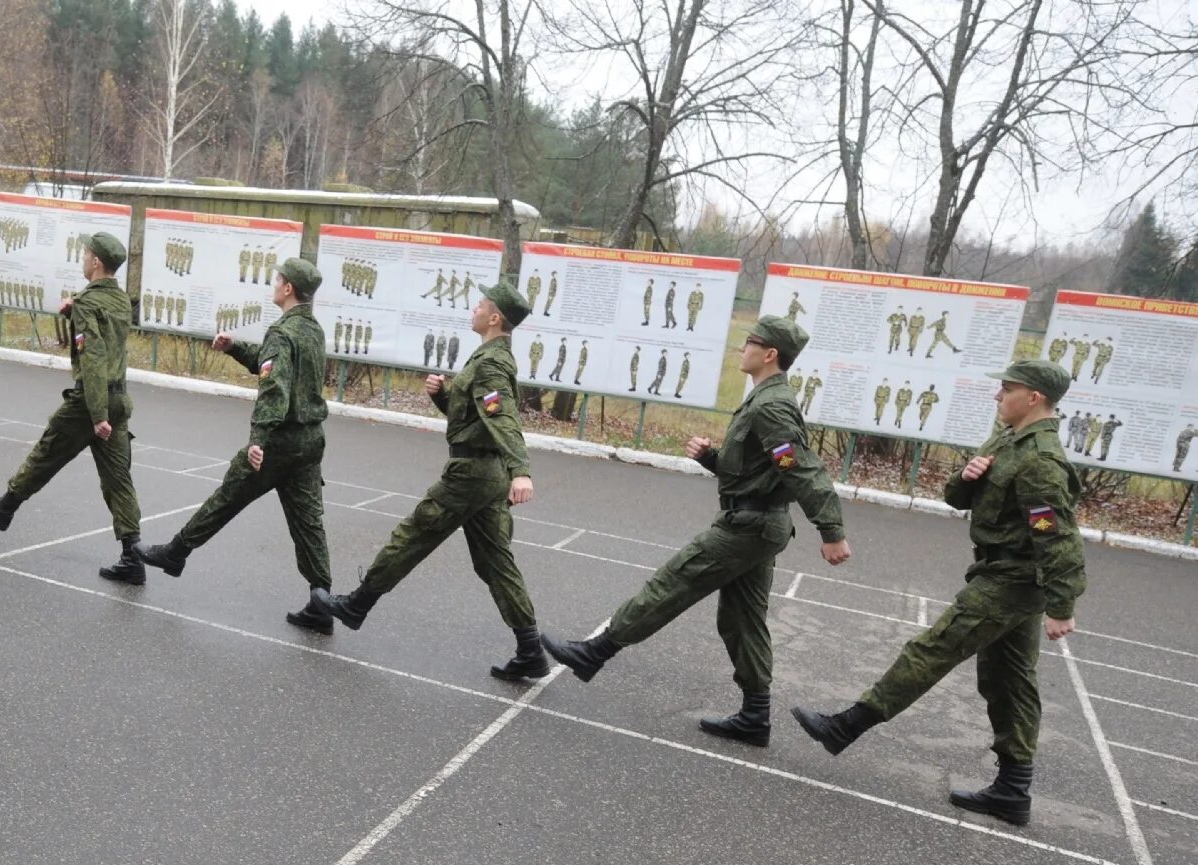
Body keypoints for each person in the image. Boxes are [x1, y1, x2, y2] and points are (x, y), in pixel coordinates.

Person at [791, 360, 1085, 826]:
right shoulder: (1007, 438)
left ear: (1033, 398)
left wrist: (1062, 603)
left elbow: (1054, 533)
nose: (997, 396)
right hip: (1000, 573)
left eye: (1006, 390)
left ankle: (845, 726)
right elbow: (956, 497)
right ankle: (1013, 790)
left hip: (1010, 581)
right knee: (1009, 682)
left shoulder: (1041, 462)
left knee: (932, 649)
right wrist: (967, 478)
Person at [541, 316, 851, 746]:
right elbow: (759, 468)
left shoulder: (771, 404)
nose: (742, 349)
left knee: (675, 579)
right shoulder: (764, 399)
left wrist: (831, 529)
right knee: (742, 619)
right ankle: (755, 716)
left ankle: (595, 652)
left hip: (750, 525)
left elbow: (797, 467)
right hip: (760, 521)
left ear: (770, 354)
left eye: (750, 342)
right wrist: (713, 458)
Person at [314, 283, 549, 682]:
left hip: (472, 475)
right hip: (488, 475)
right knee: (496, 562)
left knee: (412, 534)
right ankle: (530, 650)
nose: (474, 307)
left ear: (494, 318)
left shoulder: (491, 362)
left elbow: (501, 416)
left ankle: (357, 606)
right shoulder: (492, 356)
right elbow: (473, 417)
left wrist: (521, 469)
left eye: (481, 304)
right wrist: (443, 397)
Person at [140, 259, 333, 632]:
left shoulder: (282, 332)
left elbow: (274, 388)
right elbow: (278, 370)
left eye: (278, 280)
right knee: (309, 523)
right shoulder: (313, 330)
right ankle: (321, 601)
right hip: (310, 442)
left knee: (227, 497)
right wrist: (235, 349)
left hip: (278, 441)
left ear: (289, 288)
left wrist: (258, 439)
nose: (274, 285)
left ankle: (176, 553)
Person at [0, 231, 148, 583]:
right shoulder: (120, 301)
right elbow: (108, 341)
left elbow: (93, 357)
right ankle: (133, 557)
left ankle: (4, 508)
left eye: (85, 254)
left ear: (96, 261)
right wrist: (73, 311)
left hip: (90, 402)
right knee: (118, 480)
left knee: (46, 451)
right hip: (120, 398)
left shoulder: (88, 303)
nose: (82, 258)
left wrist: (96, 416)